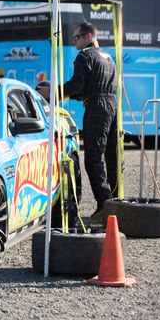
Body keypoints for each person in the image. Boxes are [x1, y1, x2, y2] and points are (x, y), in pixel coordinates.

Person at [63, 22, 117, 218]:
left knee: (93, 158)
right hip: (112, 106)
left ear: (88, 37)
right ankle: (116, 201)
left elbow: (77, 85)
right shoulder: (108, 57)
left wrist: (57, 91)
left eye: (76, 37)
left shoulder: (84, 56)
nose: (74, 41)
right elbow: (91, 86)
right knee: (112, 156)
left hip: (96, 107)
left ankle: (104, 204)